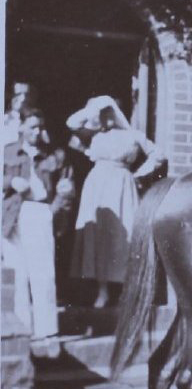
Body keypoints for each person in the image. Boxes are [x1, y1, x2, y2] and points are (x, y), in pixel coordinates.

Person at [66, 96, 165, 308]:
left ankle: (126, 290)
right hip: (97, 186)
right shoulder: (94, 135)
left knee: (123, 235)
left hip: (122, 187)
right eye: (103, 113)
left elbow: (158, 155)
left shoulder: (134, 135)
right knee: (98, 235)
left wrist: (140, 173)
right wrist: (93, 108)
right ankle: (102, 291)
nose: (106, 117)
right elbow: (71, 123)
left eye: (110, 112)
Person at [2, 111, 75, 337]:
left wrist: (52, 211)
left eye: (40, 127)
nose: (37, 131)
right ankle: (22, 328)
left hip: (39, 212)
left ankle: (46, 330)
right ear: (21, 127)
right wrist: (10, 181)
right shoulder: (7, 152)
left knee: (42, 274)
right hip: (12, 215)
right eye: (32, 126)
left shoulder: (54, 156)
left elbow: (67, 186)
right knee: (18, 273)